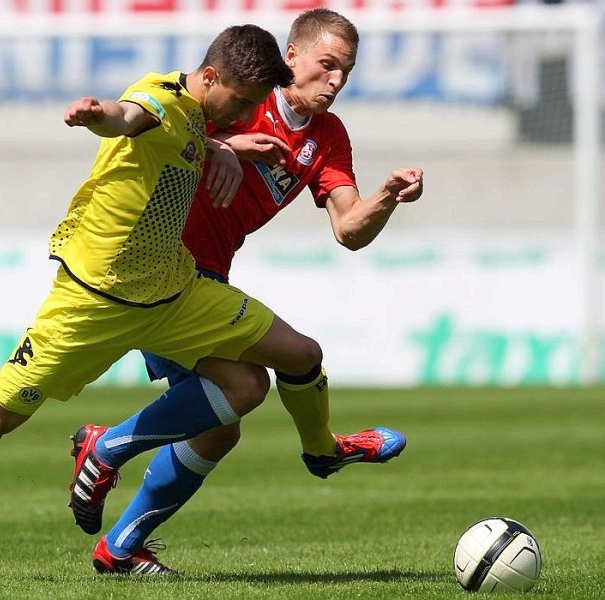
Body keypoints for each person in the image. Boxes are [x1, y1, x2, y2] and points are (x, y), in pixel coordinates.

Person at [0, 23, 297, 579]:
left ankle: (115, 452)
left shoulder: (196, 117)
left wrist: (221, 145)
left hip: (172, 293)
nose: (244, 114)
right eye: (241, 102)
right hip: (91, 302)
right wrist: (97, 117)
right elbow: (131, 115)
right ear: (210, 77)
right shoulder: (161, 97)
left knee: (259, 377)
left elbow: (182, 135)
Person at [69, 9, 424, 575]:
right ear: (292, 57)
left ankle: (120, 546)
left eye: (346, 73)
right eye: (326, 65)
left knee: (220, 429)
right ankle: (315, 450)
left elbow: (349, 229)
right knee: (291, 360)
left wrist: (385, 195)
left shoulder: (328, 138)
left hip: (207, 278)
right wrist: (223, 145)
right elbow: (167, 125)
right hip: (163, 270)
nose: (335, 82)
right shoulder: (243, 91)